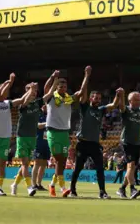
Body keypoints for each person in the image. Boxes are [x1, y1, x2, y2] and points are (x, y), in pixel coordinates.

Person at [43, 67, 91, 197]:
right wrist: (53, 77)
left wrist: (86, 75)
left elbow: (81, 92)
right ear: (56, 88)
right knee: (58, 158)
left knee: (63, 161)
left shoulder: (68, 99)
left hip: (64, 132)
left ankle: (52, 185)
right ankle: (63, 188)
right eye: (61, 87)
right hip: (52, 131)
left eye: (65, 87)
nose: (63, 89)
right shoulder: (51, 98)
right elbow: (46, 88)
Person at [69, 88, 122, 199]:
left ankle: (102, 192)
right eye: (95, 98)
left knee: (100, 169)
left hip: (94, 144)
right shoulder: (85, 107)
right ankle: (72, 189)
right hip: (82, 143)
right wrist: (87, 76)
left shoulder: (101, 110)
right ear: (90, 98)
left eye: (99, 98)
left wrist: (118, 94)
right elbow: (83, 93)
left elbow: (113, 105)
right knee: (78, 168)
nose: (98, 100)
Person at [0, 74, 25, 196]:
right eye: (5, 90)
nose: (7, 92)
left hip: (5, 137)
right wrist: (9, 82)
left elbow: (21, 101)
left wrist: (30, 92)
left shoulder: (8, 103)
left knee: (2, 163)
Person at [11, 83, 42, 196]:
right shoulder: (22, 104)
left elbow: (48, 95)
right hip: (22, 136)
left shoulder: (37, 103)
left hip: (32, 137)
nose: (33, 92)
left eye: (34, 90)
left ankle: (14, 184)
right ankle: (29, 187)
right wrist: (31, 89)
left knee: (26, 164)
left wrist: (54, 80)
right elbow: (25, 100)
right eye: (29, 90)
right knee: (25, 164)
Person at [32, 106, 50, 190]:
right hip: (38, 142)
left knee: (43, 164)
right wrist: (48, 123)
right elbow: (38, 125)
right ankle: (33, 184)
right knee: (37, 163)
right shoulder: (38, 114)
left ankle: (39, 184)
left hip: (47, 143)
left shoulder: (50, 114)